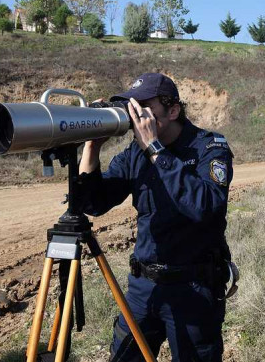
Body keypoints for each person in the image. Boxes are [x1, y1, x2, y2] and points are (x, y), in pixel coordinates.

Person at [78, 73, 235, 362]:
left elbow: (207, 206)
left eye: (143, 106)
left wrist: (156, 150)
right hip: (144, 288)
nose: (135, 115)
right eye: (130, 107)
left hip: (193, 290)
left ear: (173, 110)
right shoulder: (134, 154)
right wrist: (92, 147)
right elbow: (94, 202)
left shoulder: (208, 148)